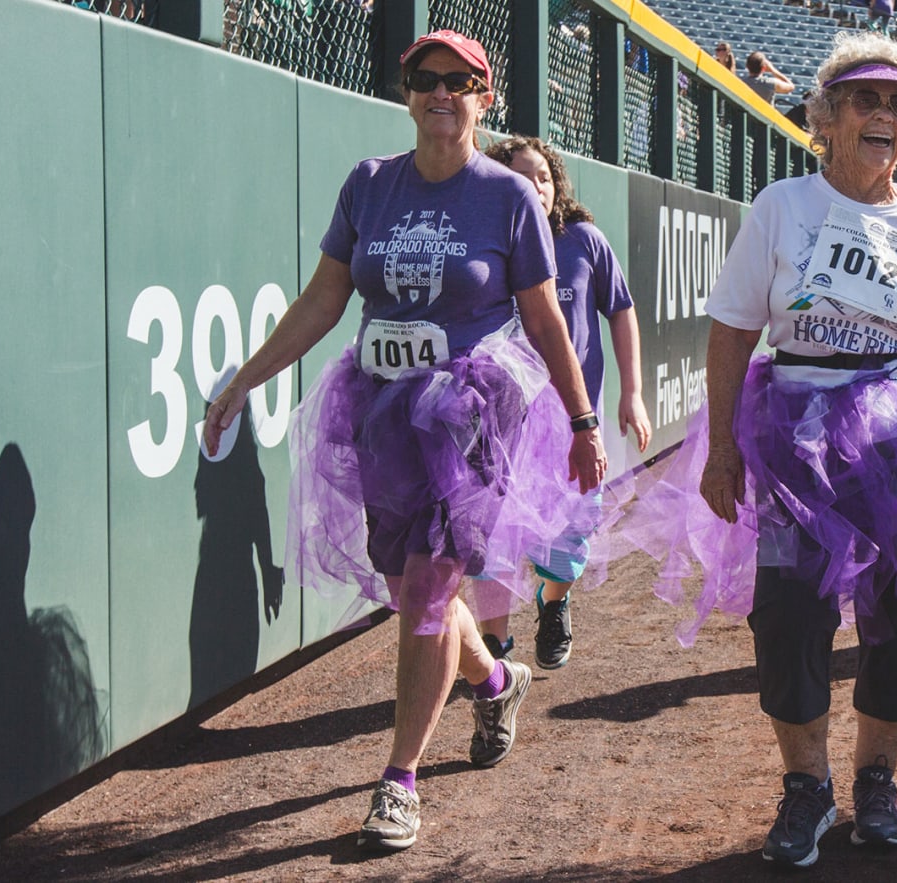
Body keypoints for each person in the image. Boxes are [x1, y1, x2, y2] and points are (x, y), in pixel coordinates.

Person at [612, 31, 897, 868]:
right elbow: (733, 332)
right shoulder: (782, 206)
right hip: (799, 440)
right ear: (829, 114)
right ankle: (807, 785)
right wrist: (724, 447)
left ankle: (877, 778)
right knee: (789, 610)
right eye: (866, 100)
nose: (885, 115)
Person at [201, 30, 607, 851]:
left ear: (485, 97)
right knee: (412, 592)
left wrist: (582, 417)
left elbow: (542, 316)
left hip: (470, 416)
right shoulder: (370, 185)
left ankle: (399, 782)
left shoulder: (507, 197)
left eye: (460, 81)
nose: (441, 93)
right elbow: (324, 300)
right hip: (381, 410)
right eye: (426, 79)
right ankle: (496, 680)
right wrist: (244, 379)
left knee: (427, 593)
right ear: (408, 92)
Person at [468, 136, 653, 669]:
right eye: (523, 177)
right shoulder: (486, 241)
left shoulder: (583, 241)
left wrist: (633, 394)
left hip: (574, 424)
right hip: (498, 425)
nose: (536, 187)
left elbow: (621, 310)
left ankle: (554, 604)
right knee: (493, 538)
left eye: (544, 177)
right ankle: (497, 650)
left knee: (568, 542)